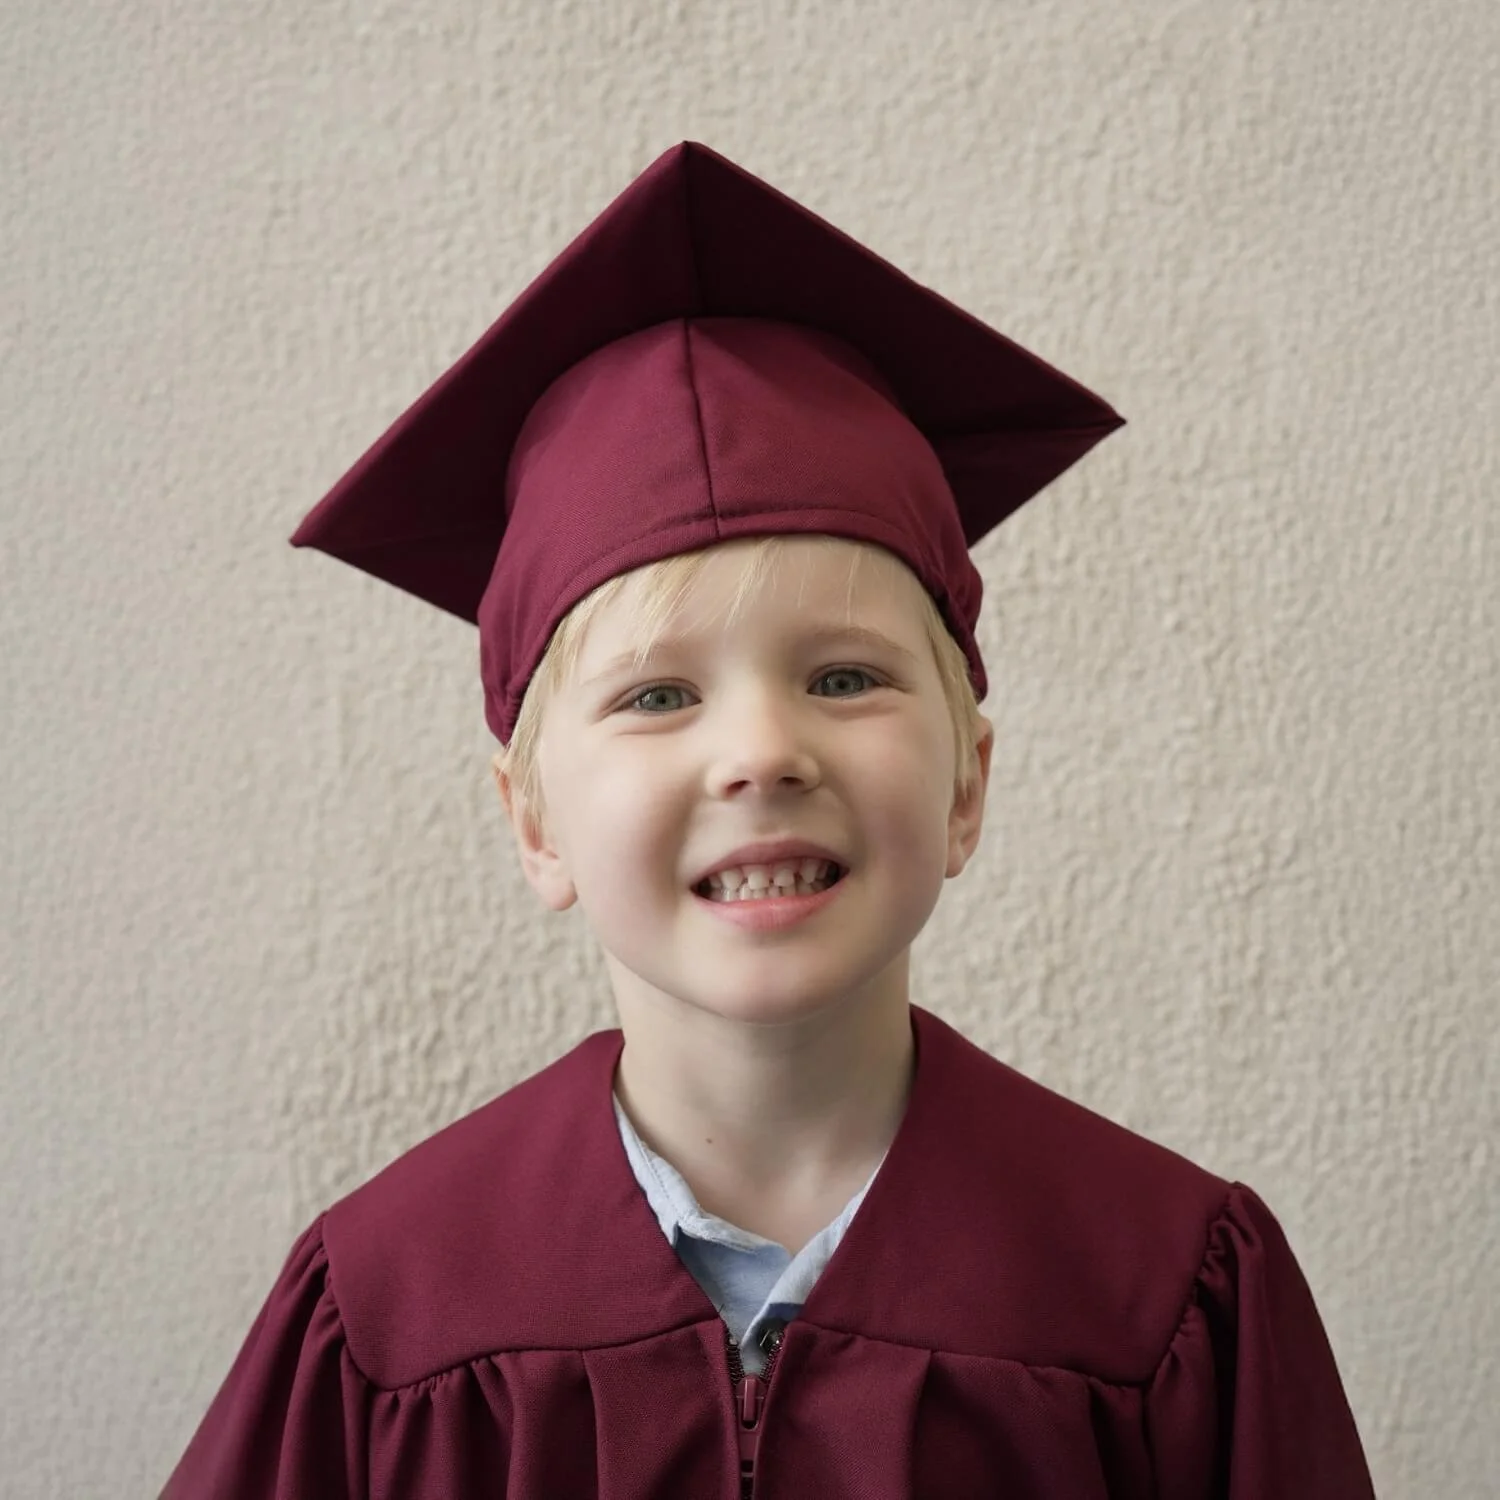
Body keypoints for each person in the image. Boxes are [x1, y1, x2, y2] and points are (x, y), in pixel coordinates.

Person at [160, 141, 1375, 1498]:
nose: (759, 753)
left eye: (844, 678)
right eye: (659, 694)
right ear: (536, 822)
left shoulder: (1165, 1295)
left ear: (967, 784)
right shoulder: (385, 1317)